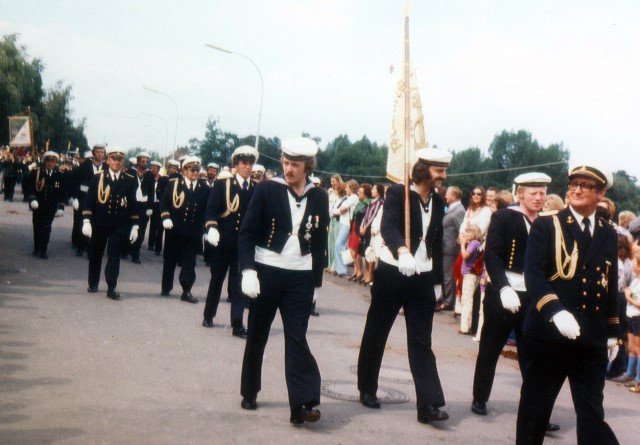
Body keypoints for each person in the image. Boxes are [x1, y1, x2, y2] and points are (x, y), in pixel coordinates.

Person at [517, 163, 620, 445]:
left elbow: (609, 283)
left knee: (591, 414)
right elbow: (534, 274)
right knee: (535, 410)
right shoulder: (547, 224)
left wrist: (613, 331)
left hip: (590, 339)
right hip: (549, 333)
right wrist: (555, 311)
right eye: (574, 184)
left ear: (600, 193)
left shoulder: (608, 231)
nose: (577, 190)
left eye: (586, 185)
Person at [238, 137, 328, 425]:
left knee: (297, 338)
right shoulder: (266, 189)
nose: (289, 169)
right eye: (286, 163)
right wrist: (247, 269)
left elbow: (320, 243)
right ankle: (250, 389)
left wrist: (316, 283)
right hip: (267, 270)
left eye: (295, 165)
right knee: (257, 334)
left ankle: (302, 404)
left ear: (307, 167)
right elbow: (247, 232)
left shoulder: (319, 196)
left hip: (300, 276)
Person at [357, 148, 450, 425]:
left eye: (444, 171)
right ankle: (367, 388)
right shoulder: (399, 193)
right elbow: (389, 226)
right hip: (393, 271)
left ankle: (428, 403)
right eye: (438, 171)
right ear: (423, 170)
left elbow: (437, 239)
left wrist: (436, 281)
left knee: (422, 340)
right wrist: (402, 251)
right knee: (377, 331)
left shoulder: (438, 200)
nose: (443, 176)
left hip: (422, 275)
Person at [470, 173, 560, 433]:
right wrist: (503, 287)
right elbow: (493, 255)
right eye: (533, 193)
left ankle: (535, 412)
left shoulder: (548, 222)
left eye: (542, 193)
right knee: (490, 346)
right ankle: (479, 397)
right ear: (520, 194)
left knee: (532, 355)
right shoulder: (504, 217)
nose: (539, 198)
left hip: (533, 294)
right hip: (505, 291)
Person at [202, 145, 258, 338]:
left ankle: (237, 324)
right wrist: (211, 227)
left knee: (239, 285)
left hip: (243, 246)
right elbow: (211, 210)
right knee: (216, 281)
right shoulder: (223, 184)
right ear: (236, 164)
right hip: (223, 243)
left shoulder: (256, 188)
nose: (248, 167)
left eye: (251, 163)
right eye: (244, 163)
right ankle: (209, 315)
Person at [82, 146, 140, 300]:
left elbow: (133, 203)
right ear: (108, 160)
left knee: (114, 256)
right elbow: (89, 200)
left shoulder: (129, 180)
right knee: (96, 253)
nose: (117, 162)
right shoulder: (98, 177)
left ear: (123, 162)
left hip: (119, 224)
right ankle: (93, 283)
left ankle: (111, 287)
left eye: (120, 159)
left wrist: (135, 225)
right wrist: (86, 220)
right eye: (114, 159)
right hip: (99, 222)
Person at [160, 157, 209, 303]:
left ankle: (186, 290)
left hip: (193, 232)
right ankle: (166, 287)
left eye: (197, 170)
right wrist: (165, 217)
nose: (195, 173)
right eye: (192, 170)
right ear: (184, 171)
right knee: (170, 260)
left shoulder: (205, 188)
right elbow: (164, 203)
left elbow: (207, 210)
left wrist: (206, 230)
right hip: (175, 230)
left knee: (189, 263)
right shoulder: (174, 184)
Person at [25, 151, 66, 259]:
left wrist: (61, 207)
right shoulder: (37, 172)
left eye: (52, 161)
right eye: (48, 161)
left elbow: (62, 192)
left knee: (47, 227)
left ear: (56, 162)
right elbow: (30, 187)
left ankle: (44, 249)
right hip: (38, 205)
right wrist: (32, 199)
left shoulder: (60, 174)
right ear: (44, 161)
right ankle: (37, 247)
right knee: (37, 226)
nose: (50, 163)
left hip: (51, 207)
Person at [71, 145, 107, 257]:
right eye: (97, 152)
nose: (100, 154)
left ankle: (91, 247)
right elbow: (75, 181)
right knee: (81, 221)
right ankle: (80, 246)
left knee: (95, 223)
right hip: (84, 197)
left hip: (99, 200)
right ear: (93, 153)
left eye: (102, 152)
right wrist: (75, 197)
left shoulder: (106, 167)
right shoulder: (85, 165)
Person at [436, 186, 465, 312]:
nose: (445, 196)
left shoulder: (459, 211)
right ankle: (445, 297)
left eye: (447, 194)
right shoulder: (453, 208)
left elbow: (461, 230)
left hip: (451, 248)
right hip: (446, 246)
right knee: (445, 274)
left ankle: (448, 301)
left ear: (454, 196)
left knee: (448, 275)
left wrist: (458, 246)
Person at [129, 152, 154, 264]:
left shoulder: (150, 175)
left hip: (144, 205)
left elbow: (152, 192)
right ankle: (126, 249)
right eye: (142, 161)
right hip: (132, 203)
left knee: (141, 229)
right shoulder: (130, 172)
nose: (144, 163)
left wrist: (150, 207)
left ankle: (136, 254)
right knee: (129, 226)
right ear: (138, 161)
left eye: (146, 161)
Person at [332, 179, 359, 277]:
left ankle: (341, 269)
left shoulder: (353, 198)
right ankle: (340, 268)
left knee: (339, 244)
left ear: (351, 188)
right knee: (343, 245)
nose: (346, 189)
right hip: (344, 222)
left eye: (347, 187)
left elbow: (342, 209)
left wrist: (333, 212)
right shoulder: (350, 197)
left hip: (347, 224)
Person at [459, 224, 483, 334]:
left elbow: (465, 255)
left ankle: (464, 327)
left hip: (469, 274)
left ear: (474, 233)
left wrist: (462, 244)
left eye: (469, 232)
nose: (467, 234)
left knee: (467, 300)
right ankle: (470, 325)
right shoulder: (478, 244)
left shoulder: (473, 244)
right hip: (475, 274)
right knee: (470, 299)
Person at [361, 183, 384, 286]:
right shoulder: (371, 201)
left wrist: (366, 227)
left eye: (374, 189)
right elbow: (366, 215)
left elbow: (373, 215)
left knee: (372, 251)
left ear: (378, 191)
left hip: (372, 229)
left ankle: (370, 273)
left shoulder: (380, 202)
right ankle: (367, 272)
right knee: (367, 251)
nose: (372, 191)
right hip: (367, 228)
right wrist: (362, 225)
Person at [349, 184, 371, 283]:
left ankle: (363, 272)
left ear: (365, 194)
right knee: (353, 250)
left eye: (360, 192)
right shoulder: (359, 202)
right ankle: (357, 271)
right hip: (355, 226)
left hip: (361, 228)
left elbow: (366, 218)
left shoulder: (368, 203)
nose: (358, 193)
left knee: (359, 251)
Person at [326, 175, 346, 274]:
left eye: (333, 181)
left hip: (338, 220)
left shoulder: (344, 199)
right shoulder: (334, 196)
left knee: (336, 243)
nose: (332, 183)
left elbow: (338, 211)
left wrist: (333, 212)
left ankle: (335, 266)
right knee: (330, 242)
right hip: (332, 219)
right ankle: (330, 265)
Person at [147, 161, 165, 256]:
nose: (152, 169)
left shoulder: (163, 179)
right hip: (151, 204)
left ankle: (158, 247)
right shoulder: (149, 178)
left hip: (159, 204)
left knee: (160, 227)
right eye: (152, 168)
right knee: (153, 225)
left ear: (158, 169)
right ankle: (151, 244)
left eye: (154, 168)